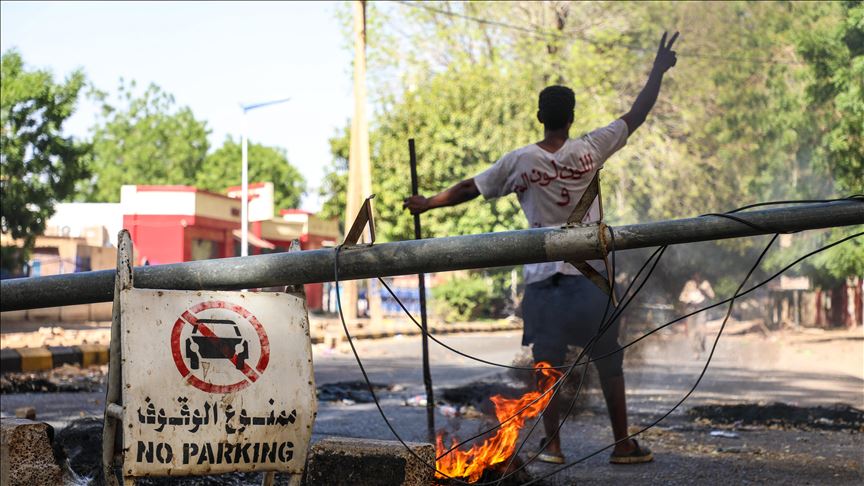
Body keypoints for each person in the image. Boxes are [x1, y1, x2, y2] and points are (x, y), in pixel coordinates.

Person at [404, 31, 680, 464]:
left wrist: (427, 204)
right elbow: (637, 114)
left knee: (546, 367)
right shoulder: (591, 149)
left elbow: (469, 189)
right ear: (571, 118)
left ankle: (552, 445)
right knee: (610, 362)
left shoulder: (520, 161)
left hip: (543, 283)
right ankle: (622, 444)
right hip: (590, 282)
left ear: (540, 117)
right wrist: (657, 70)